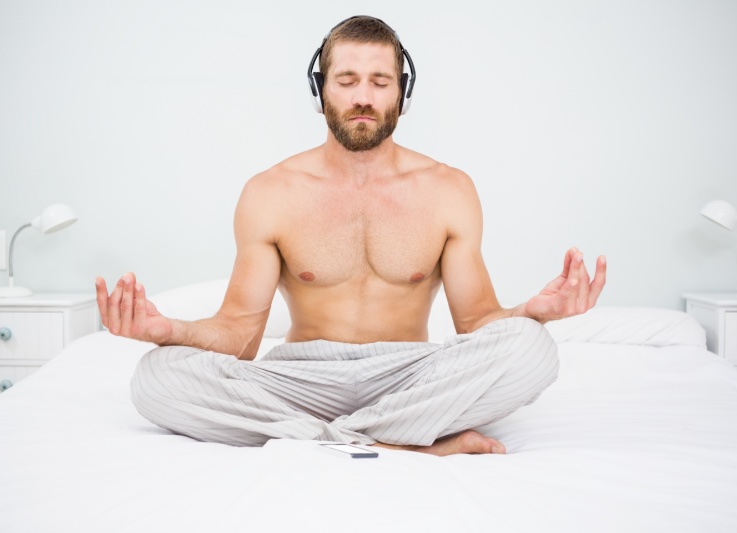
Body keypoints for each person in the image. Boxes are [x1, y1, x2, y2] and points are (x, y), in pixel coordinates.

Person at [95, 16, 606, 456]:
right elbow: (240, 336)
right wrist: (171, 333)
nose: (364, 97)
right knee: (157, 377)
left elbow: (476, 322)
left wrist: (533, 312)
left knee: (532, 349)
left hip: (411, 374)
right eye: (347, 80)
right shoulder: (270, 192)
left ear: (403, 92)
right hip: (302, 378)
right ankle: (400, 440)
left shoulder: (450, 189)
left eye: (381, 81)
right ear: (320, 90)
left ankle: (329, 441)